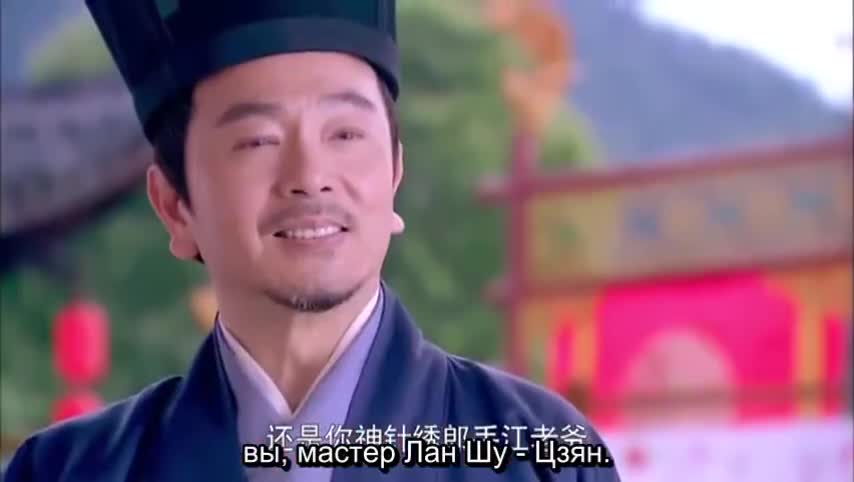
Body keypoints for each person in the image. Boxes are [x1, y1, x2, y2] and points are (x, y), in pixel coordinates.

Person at [5, 1, 621, 481]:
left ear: (394, 175)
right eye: (257, 141)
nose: (310, 176)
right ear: (175, 205)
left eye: (345, 134)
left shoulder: (538, 454)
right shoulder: (67, 472)